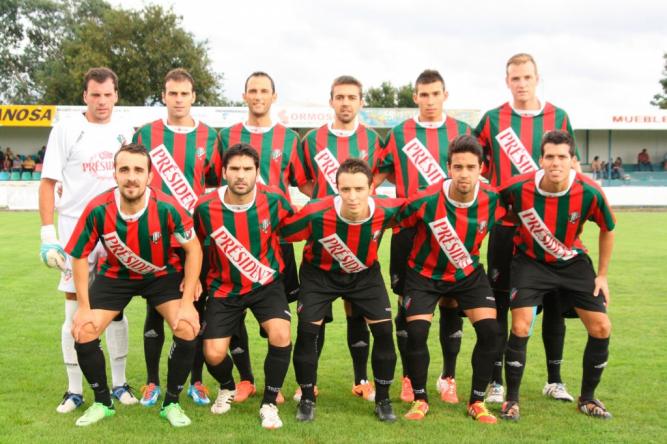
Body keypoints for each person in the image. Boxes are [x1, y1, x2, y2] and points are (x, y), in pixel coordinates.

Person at [66, 143, 202, 427]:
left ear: (150, 176)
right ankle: (103, 402)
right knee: (83, 329)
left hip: (161, 276)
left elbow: (194, 250)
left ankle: (172, 403)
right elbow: (78, 255)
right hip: (116, 276)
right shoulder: (98, 208)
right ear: (114, 174)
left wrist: (188, 302)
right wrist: (83, 307)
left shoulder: (167, 207)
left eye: (139, 170)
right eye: (124, 169)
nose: (131, 176)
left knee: (187, 326)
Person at [475, 53, 579, 404]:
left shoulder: (559, 116)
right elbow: (477, 163)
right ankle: (496, 381)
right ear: (507, 81)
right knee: (501, 302)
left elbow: (571, 166)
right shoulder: (492, 120)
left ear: (537, 79)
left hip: (551, 229)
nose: (521, 84)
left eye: (527, 77)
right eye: (515, 78)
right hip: (506, 227)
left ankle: (555, 379)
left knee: (553, 300)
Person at [39, 67, 136, 413]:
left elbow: (135, 178)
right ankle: (74, 389)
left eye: (108, 95)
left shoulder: (125, 130)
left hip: (114, 233)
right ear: (85, 96)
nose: (102, 102)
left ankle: (121, 382)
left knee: (116, 311)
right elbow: (49, 182)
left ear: (116, 95)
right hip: (74, 233)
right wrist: (47, 234)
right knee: (73, 311)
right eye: (95, 95)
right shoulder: (66, 129)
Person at [499, 130, 615, 421]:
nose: (555, 162)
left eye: (562, 157)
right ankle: (511, 400)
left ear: (573, 160)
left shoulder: (589, 191)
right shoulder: (517, 187)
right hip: (530, 262)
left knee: (601, 327)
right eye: (549, 156)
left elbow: (608, 228)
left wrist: (601, 275)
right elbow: (490, 206)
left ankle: (587, 398)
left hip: (571, 262)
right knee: (522, 325)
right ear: (541, 159)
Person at [377, 69, 472, 404]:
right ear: (415, 97)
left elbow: (476, 177)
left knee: (452, 300)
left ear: (445, 95)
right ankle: (408, 377)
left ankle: (448, 377)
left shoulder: (462, 131)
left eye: (435, 94)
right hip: (408, 231)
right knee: (406, 303)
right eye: (423, 94)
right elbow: (378, 172)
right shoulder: (400, 133)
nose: (430, 101)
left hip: (452, 232)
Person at [282, 159, 401, 423]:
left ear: (372, 187)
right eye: (345, 189)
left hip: (365, 275)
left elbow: (420, 215)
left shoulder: (388, 209)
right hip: (319, 275)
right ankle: (307, 398)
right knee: (306, 333)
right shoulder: (315, 212)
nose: (352, 196)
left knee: (383, 332)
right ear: (337, 188)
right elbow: (282, 232)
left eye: (359, 189)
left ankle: (383, 400)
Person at [396, 135, 505, 423]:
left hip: (467, 274)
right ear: (448, 167)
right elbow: (396, 224)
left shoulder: (493, 199)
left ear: (481, 168)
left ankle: (477, 402)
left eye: (471, 167)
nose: (464, 173)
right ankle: (420, 399)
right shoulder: (426, 198)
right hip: (424, 275)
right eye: (458, 167)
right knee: (417, 333)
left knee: (491, 332)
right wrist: (398, 279)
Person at [132, 68, 222, 408]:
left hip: (195, 240)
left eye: (185, 93)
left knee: (195, 308)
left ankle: (195, 382)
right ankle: (152, 382)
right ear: (164, 96)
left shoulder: (210, 138)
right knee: (156, 309)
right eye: (173, 93)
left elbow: (212, 180)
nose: (179, 99)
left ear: (194, 96)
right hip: (155, 237)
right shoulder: (146, 133)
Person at [296, 75, 385, 402]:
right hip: (323, 238)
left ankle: (362, 380)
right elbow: (300, 177)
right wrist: (322, 200)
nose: (346, 102)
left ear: (361, 102)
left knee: (357, 310)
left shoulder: (373, 139)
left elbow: (382, 171)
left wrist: (365, 197)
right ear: (331, 101)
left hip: (360, 238)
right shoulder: (311, 140)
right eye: (340, 97)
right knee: (314, 317)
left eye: (352, 97)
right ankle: (308, 383)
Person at [194, 143, 294, 430]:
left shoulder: (275, 199)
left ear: (256, 172)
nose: (241, 175)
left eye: (247, 169)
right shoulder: (204, 206)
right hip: (224, 288)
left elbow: (293, 228)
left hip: (266, 284)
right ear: (224, 171)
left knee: (280, 333)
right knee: (213, 353)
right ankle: (227, 386)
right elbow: (195, 245)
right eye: (234, 169)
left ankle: (269, 403)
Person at [218, 71, 303, 404]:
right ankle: (246, 378)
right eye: (252, 91)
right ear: (244, 96)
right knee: (234, 306)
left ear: (274, 96)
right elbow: (215, 178)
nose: (257, 96)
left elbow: (301, 182)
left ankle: (276, 384)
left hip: (275, 236)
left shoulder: (290, 138)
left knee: (276, 316)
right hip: (235, 235)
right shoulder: (227, 136)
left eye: (263, 91)